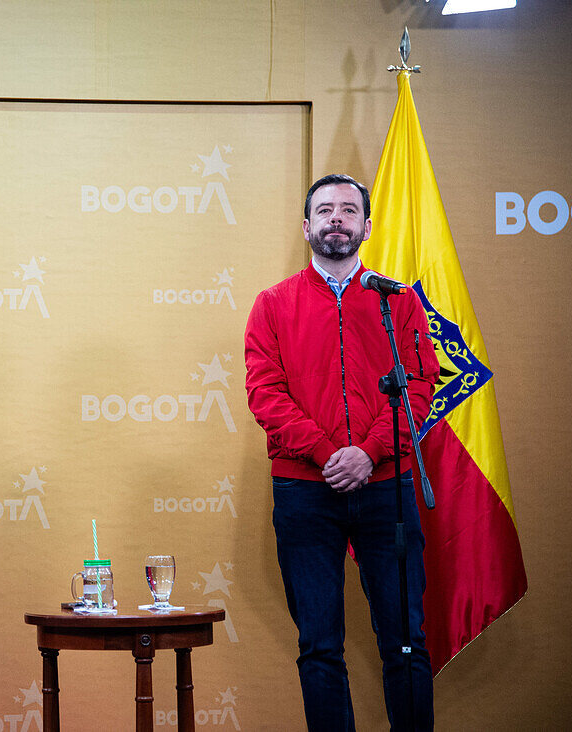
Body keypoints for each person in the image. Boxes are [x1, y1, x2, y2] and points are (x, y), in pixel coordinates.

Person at [244, 174, 439, 730]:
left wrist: (370, 452)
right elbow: (266, 394)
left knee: (406, 643)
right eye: (324, 210)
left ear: (366, 227)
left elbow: (421, 385)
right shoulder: (273, 303)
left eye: (348, 210)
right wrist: (333, 453)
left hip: (388, 489)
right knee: (320, 646)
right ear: (306, 227)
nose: (336, 219)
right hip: (306, 490)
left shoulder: (397, 302)